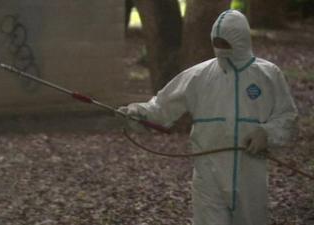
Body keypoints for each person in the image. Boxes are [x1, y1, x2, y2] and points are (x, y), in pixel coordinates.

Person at [118, 10, 298, 225]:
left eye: (226, 42)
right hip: (208, 172)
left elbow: (287, 116)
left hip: (250, 173)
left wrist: (266, 133)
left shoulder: (268, 74)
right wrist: (138, 112)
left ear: (240, 40)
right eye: (217, 42)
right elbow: (162, 105)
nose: (221, 48)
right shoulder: (199, 75)